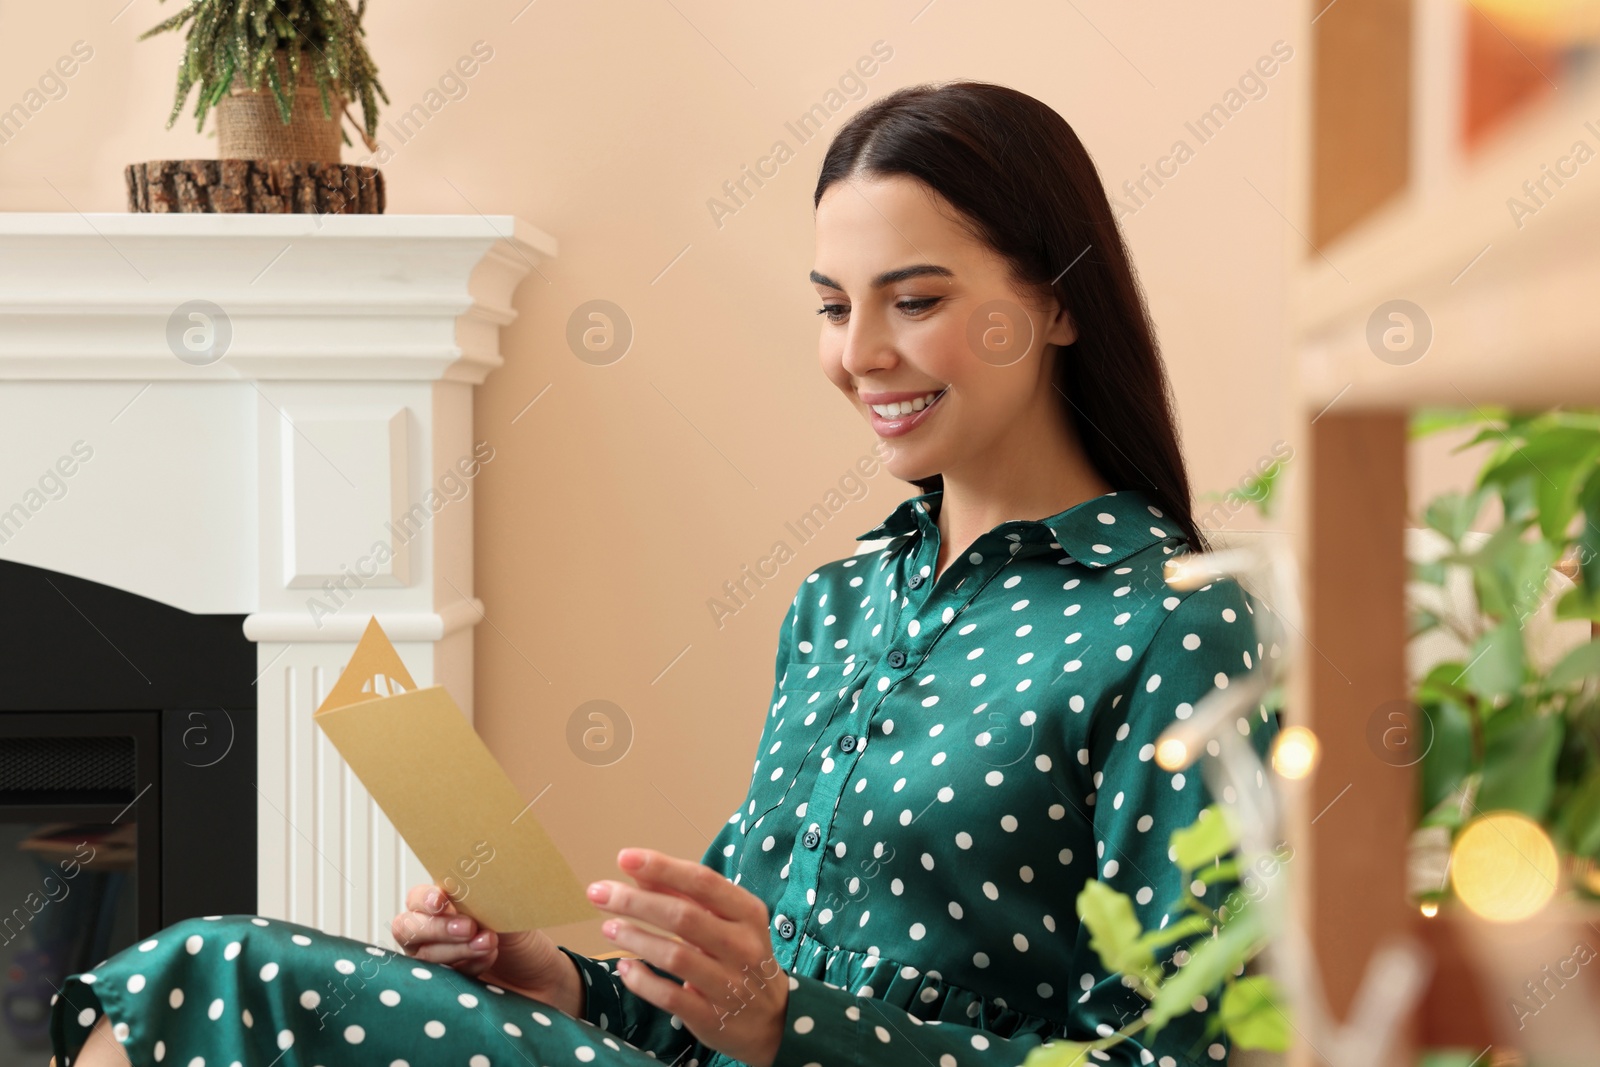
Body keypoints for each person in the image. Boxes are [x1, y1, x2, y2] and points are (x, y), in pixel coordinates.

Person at [51, 79, 1279, 1067]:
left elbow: (1190, 1051)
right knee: (190, 991)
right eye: (829, 305)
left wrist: (796, 1024)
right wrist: (560, 982)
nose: (857, 355)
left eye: (912, 299)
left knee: (211, 974)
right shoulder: (842, 601)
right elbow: (718, 1007)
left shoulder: (1175, 622)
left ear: (1057, 303)